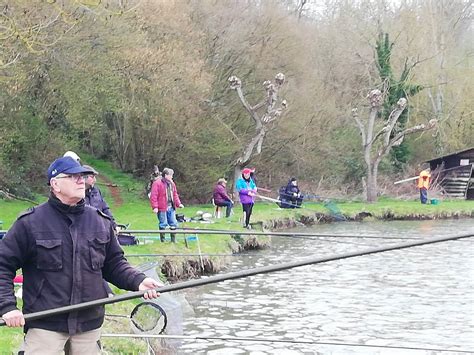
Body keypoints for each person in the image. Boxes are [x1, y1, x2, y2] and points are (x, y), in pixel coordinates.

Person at [0, 156, 160, 354]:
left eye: (82, 176)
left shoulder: (100, 221)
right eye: (73, 176)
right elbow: (3, 265)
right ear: (55, 184)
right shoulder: (29, 223)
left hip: (89, 325)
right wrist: (7, 306)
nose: (81, 180)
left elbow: (114, 264)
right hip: (45, 325)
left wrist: (139, 281)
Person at [150, 168, 184, 243]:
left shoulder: (172, 183)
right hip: (162, 208)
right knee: (163, 223)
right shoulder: (157, 183)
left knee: (174, 223)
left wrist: (178, 203)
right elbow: (153, 196)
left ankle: (173, 240)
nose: (172, 177)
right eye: (170, 175)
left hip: (171, 206)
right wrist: (155, 207)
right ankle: (163, 240)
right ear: (165, 175)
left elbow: (175, 194)